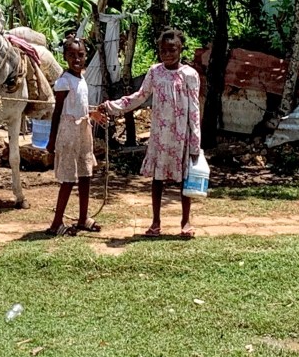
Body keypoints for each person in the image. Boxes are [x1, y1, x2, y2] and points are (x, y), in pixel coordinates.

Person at [102, 27, 201, 238]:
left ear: (181, 48)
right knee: (157, 179)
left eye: (172, 49)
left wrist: (195, 142)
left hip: (181, 137)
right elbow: (139, 97)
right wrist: (111, 106)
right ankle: (155, 222)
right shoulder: (155, 72)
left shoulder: (190, 75)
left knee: (185, 180)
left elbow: (194, 109)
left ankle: (186, 221)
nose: (168, 54)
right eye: (163, 50)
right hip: (159, 136)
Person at [46, 35, 106, 236]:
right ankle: (56, 223)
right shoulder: (64, 82)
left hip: (83, 132)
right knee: (69, 178)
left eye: (80, 55)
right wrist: (51, 140)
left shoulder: (82, 80)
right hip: (68, 134)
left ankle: (83, 218)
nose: (77, 59)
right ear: (65, 57)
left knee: (85, 174)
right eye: (72, 55)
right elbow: (58, 112)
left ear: (86, 57)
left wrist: (93, 114)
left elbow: (79, 106)